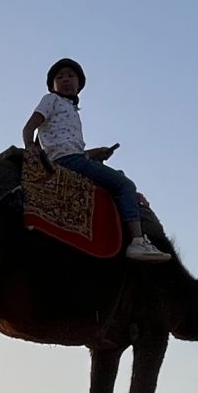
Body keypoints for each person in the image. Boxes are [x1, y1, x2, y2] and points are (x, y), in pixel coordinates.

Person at [21, 58, 169, 262]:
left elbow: (63, 147)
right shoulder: (50, 100)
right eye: (60, 77)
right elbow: (29, 128)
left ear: (79, 84)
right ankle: (137, 241)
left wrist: (95, 153)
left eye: (70, 76)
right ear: (52, 85)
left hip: (74, 159)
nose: (65, 79)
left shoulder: (71, 111)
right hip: (70, 162)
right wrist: (29, 147)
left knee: (117, 177)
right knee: (125, 185)